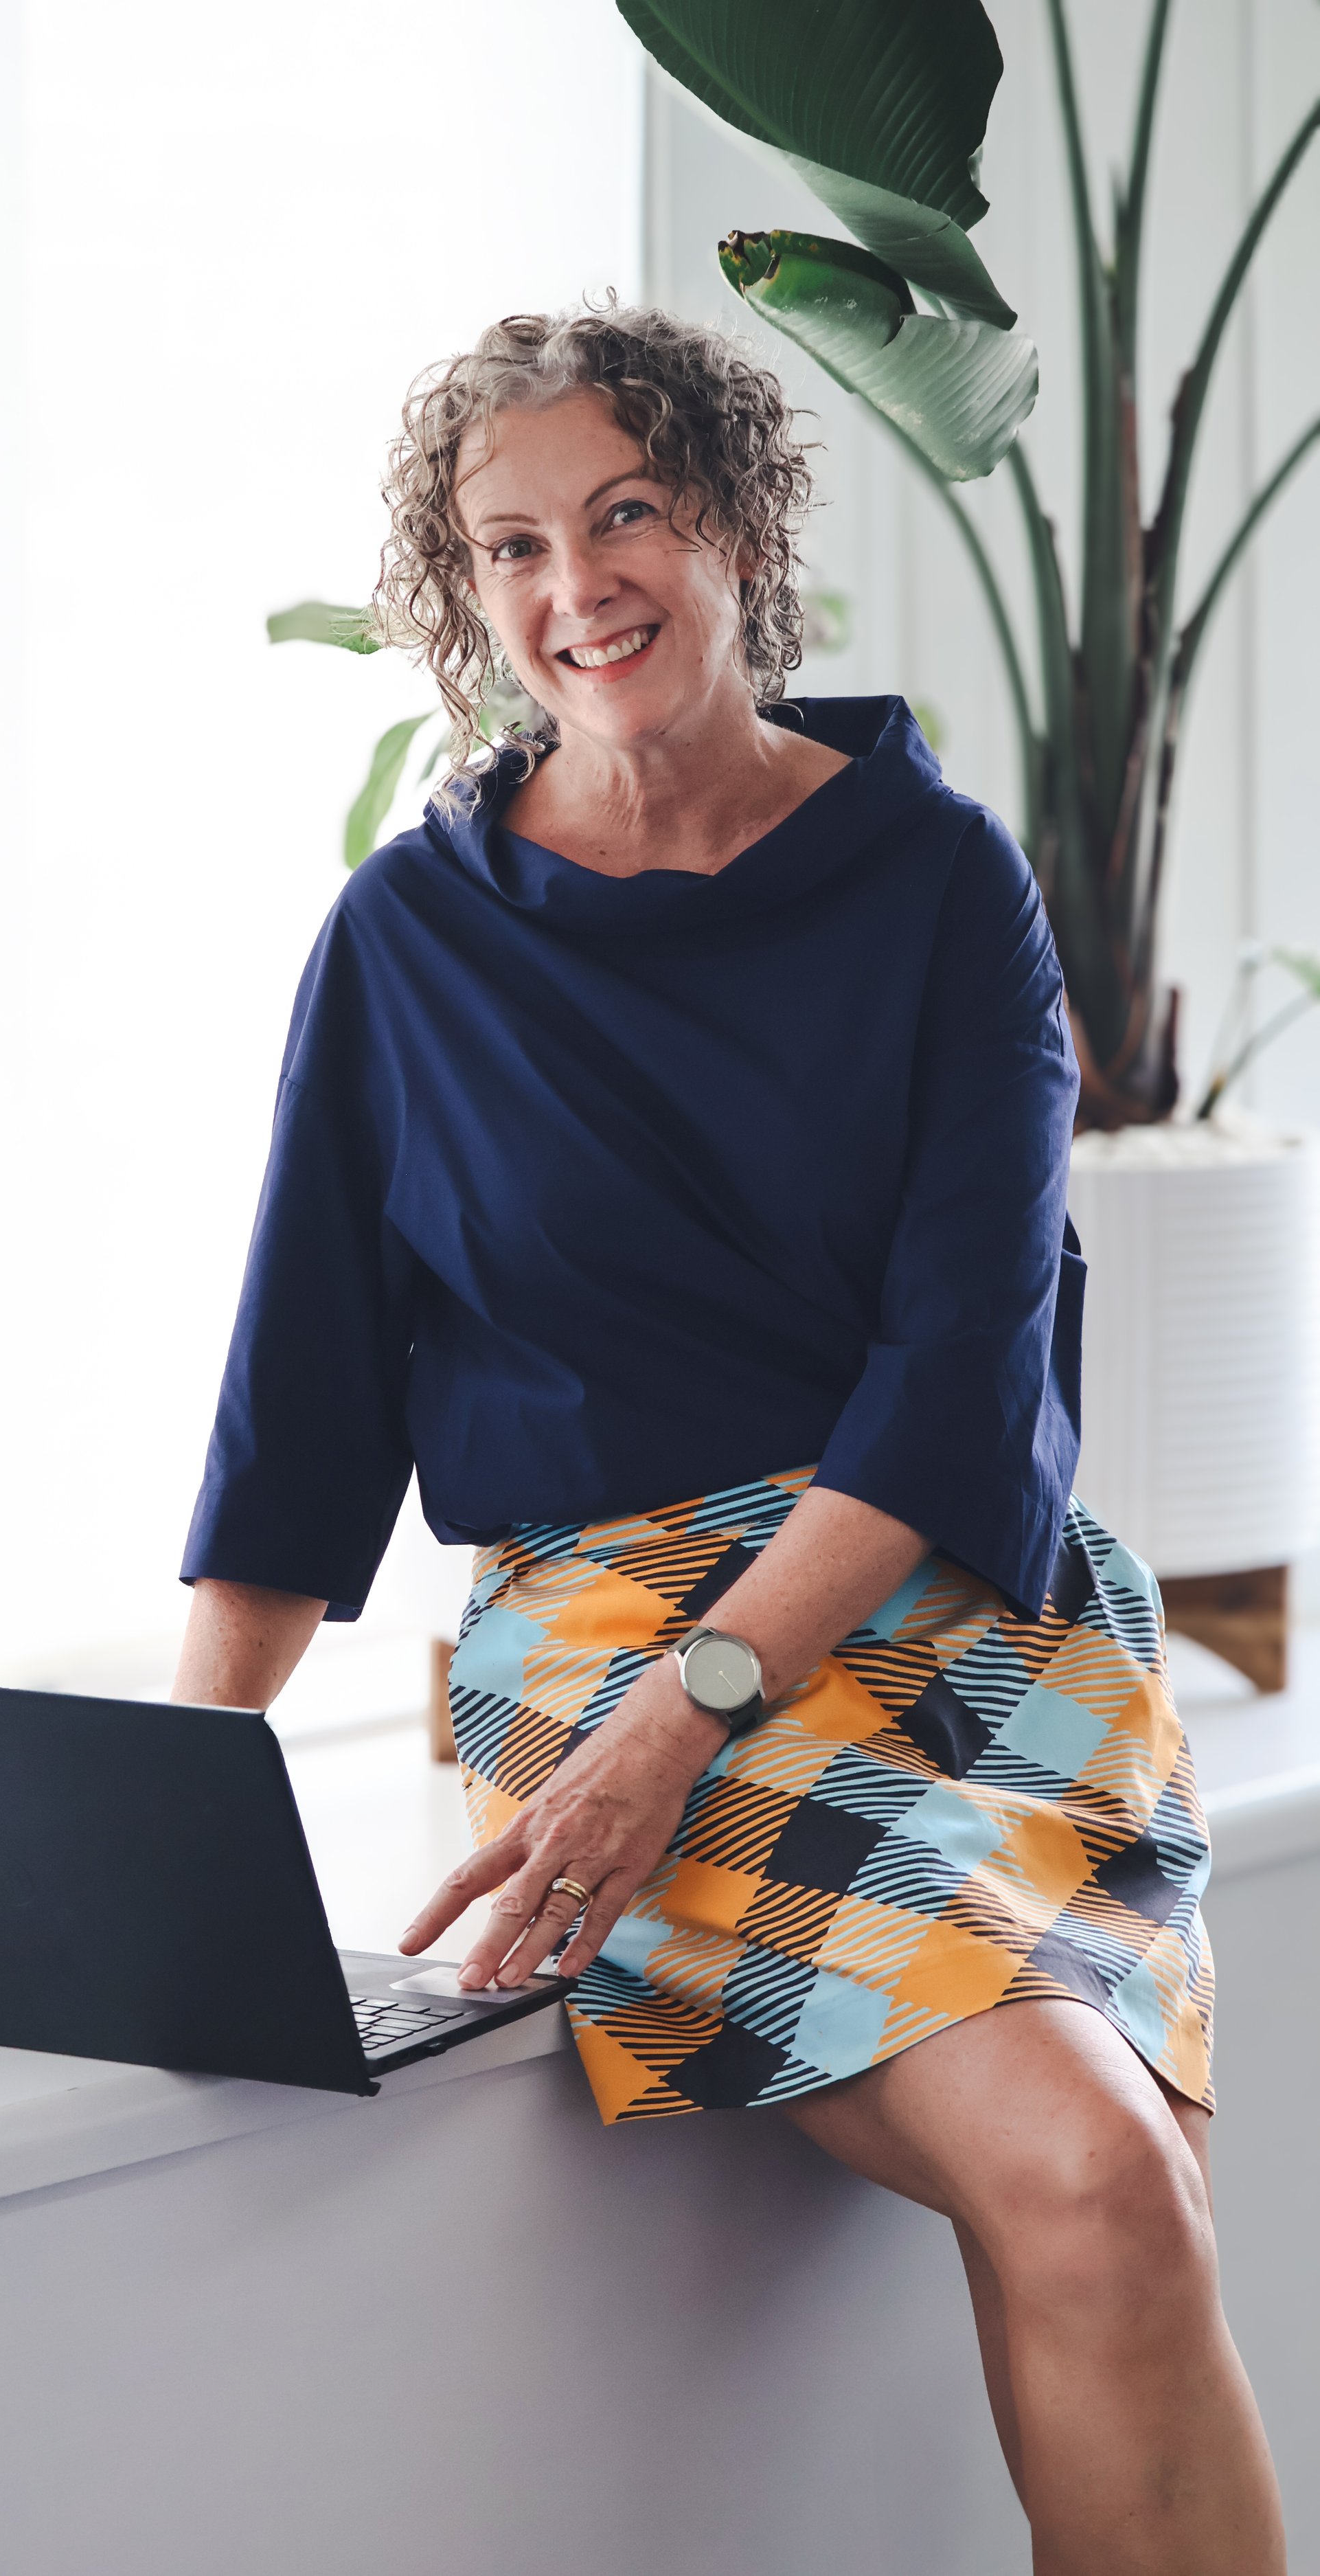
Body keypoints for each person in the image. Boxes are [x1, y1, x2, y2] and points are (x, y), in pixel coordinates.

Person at [176, 304, 1284, 2572]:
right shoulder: (406, 940)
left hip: (953, 1607)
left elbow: (963, 1360)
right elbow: (294, 1420)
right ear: (458, 595)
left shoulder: (938, 879)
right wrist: (150, 1846)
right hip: (592, 1628)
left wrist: (704, 1703)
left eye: (624, 511)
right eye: (509, 547)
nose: (573, 585)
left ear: (732, 522)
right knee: (1091, 2166)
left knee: (1119, 2194)